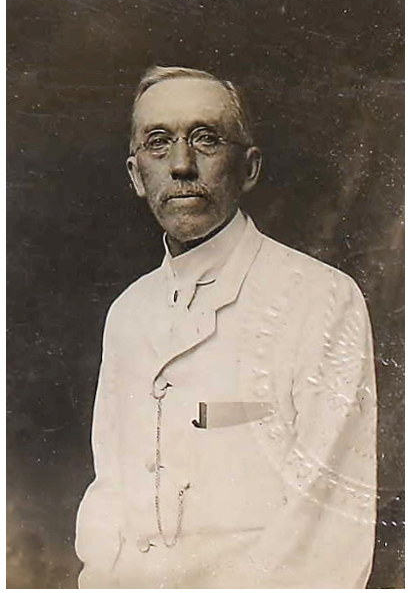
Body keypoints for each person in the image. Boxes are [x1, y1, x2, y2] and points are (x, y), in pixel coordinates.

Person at [75, 66, 377, 588]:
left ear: (250, 167)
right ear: (136, 175)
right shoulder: (127, 312)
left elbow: (329, 523)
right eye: (158, 142)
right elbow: (108, 497)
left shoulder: (321, 297)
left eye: (206, 139)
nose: (181, 165)